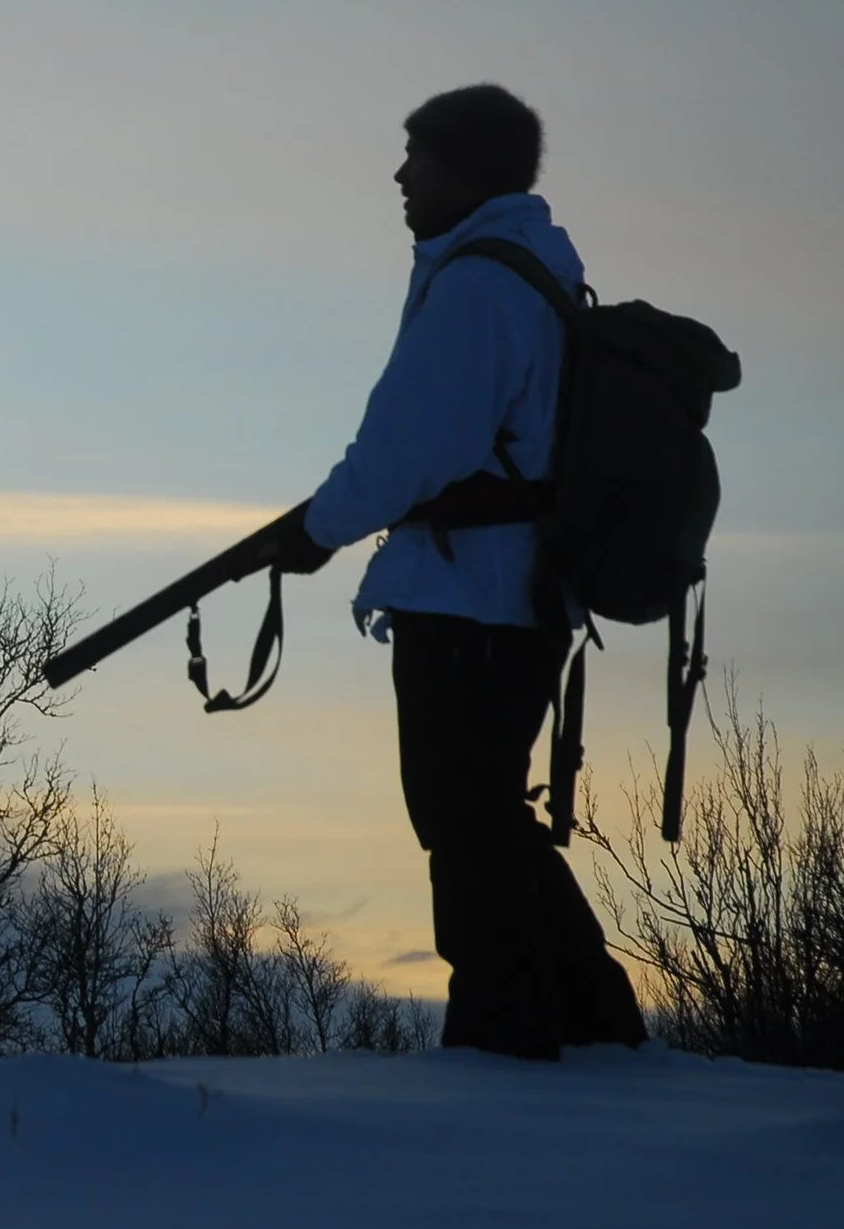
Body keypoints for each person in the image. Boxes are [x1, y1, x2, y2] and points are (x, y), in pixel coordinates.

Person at [274, 83, 647, 1060]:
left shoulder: (480, 283)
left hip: (473, 594)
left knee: (464, 818)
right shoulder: (532, 267)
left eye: (417, 156)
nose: (400, 176)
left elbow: (410, 451)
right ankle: (593, 1022)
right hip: (508, 592)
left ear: (464, 167)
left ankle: (505, 1039)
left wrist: (316, 529)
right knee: (480, 811)